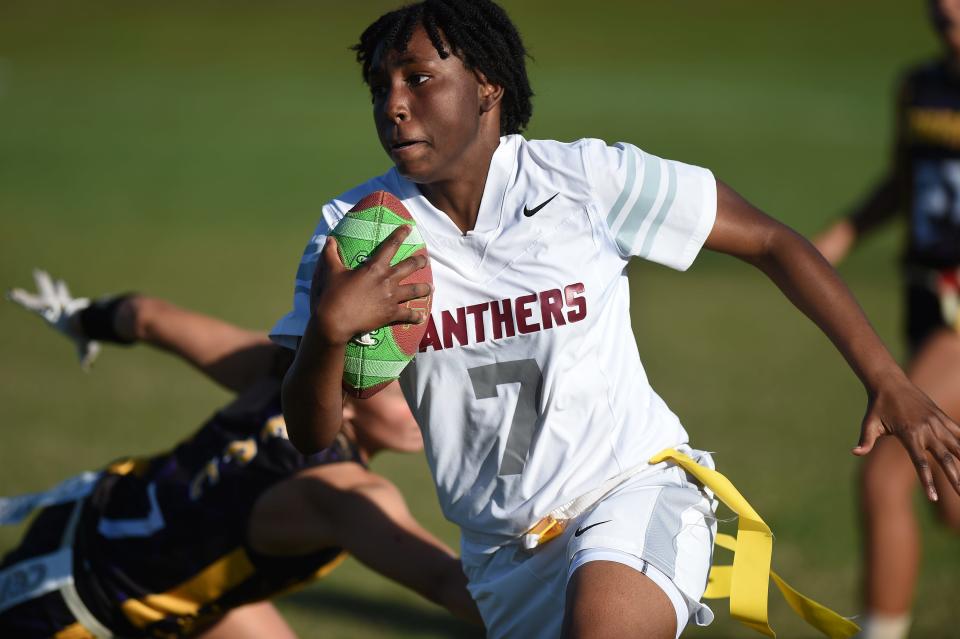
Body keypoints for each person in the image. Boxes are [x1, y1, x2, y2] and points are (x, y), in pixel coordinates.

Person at [273, 2, 960, 637]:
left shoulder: (584, 181)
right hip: (502, 559)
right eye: (378, 86)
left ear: (486, 85)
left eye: (418, 78)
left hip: (631, 491)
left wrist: (886, 378)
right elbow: (313, 432)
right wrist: (329, 330)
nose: (393, 105)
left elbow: (770, 239)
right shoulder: (355, 230)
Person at [2, 271, 480, 639]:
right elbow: (444, 581)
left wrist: (80, 317)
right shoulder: (343, 494)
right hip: (74, 614)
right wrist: (551, 592)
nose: (424, 403)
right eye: (402, 388)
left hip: (88, 527)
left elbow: (145, 316)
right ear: (347, 399)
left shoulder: (279, 370)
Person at [813, 2, 960, 637]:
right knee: (952, 494)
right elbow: (906, 181)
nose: (948, 21)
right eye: (941, 13)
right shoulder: (919, 85)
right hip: (925, 298)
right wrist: (844, 233)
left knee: (889, 470)